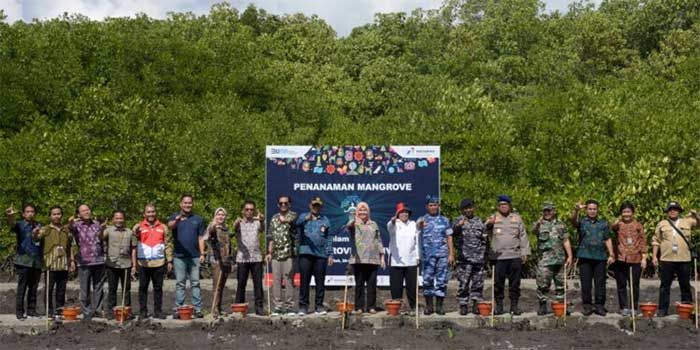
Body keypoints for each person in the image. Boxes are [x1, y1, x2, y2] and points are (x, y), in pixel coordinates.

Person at [652, 201, 698, 317]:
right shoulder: (662, 224)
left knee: (685, 285)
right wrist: (654, 256)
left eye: (675, 209)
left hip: (684, 259)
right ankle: (663, 310)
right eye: (670, 209)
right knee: (665, 286)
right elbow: (656, 241)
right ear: (667, 212)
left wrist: (696, 215)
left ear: (679, 211)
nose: (673, 211)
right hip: (667, 259)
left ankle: (687, 309)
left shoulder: (687, 221)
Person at [486, 195, 530, 315]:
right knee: (498, 283)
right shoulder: (493, 218)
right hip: (499, 256)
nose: (503, 207)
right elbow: (485, 231)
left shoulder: (517, 218)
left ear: (509, 206)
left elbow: (523, 236)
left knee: (515, 283)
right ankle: (499, 306)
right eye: (501, 205)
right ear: (498, 206)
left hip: (514, 255)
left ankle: (514, 306)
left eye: (505, 204)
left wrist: (525, 252)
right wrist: (489, 224)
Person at [571, 199, 614, 316]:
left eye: (594, 209)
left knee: (600, 283)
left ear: (597, 210)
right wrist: (576, 210)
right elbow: (573, 221)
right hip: (585, 256)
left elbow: (607, 238)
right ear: (586, 210)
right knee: (586, 283)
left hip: (600, 257)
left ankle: (599, 306)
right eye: (590, 209)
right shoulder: (582, 222)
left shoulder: (603, 223)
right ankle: (587, 305)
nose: (592, 211)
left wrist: (611, 254)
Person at [168, 194, 206, 319]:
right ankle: (179, 309)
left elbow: (201, 237)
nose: (187, 205)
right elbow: (170, 225)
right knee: (180, 283)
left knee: (195, 283)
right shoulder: (175, 217)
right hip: (179, 256)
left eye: (189, 203)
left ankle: (197, 309)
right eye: (185, 203)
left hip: (194, 256)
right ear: (181, 204)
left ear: (192, 204)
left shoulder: (198, 219)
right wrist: (177, 220)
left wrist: (202, 253)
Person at [295, 196, 334, 315]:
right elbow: (296, 225)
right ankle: (303, 306)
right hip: (305, 253)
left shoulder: (325, 220)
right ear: (310, 206)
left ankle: (319, 305)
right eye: (314, 205)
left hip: (321, 255)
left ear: (320, 207)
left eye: (318, 205)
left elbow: (329, 238)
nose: (315, 207)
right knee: (305, 281)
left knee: (320, 282)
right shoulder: (303, 216)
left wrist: (330, 254)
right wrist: (306, 219)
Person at [133, 203, 173, 319]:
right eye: (148, 212)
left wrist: (169, 260)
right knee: (142, 288)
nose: (151, 214)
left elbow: (168, 244)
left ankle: (158, 311)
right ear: (144, 214)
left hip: (159, 262)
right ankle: (143, 311)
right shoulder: (138, 227)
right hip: (143, 263)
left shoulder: (163, 227)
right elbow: (133, 242)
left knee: (158, 288)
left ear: (156, 213)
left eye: (153, 212)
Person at [533, 202, 572, 315]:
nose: (547, 213)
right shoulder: (539, 224)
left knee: (561, 285)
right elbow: (533, 230)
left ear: (554, 211)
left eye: (549, 210)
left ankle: (561, 306)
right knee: (542, 285)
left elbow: (565, 240)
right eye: (545, 211)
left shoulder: (561, 225)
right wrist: (538, 222)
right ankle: (542, 306)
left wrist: (570, 255)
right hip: (545, 261)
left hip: (559, 259)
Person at [33, 206, 73, 319]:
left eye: (59, 214)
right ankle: (49, 311)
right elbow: (36, 239)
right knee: (49, 289)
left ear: (61, 215)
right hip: (50, 264)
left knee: (61, 289)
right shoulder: (46, 229)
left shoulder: (66, 230)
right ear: (50, 216)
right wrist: (35, 233)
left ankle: (59, 311)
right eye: (54, 214)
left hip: (63, 264)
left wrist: (72, 261)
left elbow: (70, 247)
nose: (56, 216)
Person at [69, 204, 106, 321]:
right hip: (84, 262)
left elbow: (101, 239)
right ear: (79, 214)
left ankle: (98, 310)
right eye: (83, 211)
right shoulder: (77, 225)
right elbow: (69, 230)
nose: (86, 212)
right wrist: (70, 222)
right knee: (84, 289)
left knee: (98, 287)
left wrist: (103, 229)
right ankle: (87, 312)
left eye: (88, 210)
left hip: (98, 260)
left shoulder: (97, 224)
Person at [417, 195, 454, 315]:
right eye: (431, 205)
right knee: (427, 281)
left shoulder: (445, 220)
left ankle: (439, 307)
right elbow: (416, 230)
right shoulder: (422, 220)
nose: (433, 207)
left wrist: (451, 254)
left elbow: (449, 237)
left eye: (435, 205)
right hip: (428, 256)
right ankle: (429, 307)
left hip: (442, 255)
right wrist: (420, 225)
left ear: (438, 206)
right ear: (427, 207)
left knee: (441, 281)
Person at [6, 203, 43, 320]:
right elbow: (12, 224)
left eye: (32, 211)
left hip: (36, 261)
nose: (30, 213)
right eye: (28, 211)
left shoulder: (38, 225)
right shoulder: (20, 225)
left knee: (33, 287)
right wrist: (10, 216)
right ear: (23, 214)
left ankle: (31, 310)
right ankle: (20, 312)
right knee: (22, 287)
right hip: (23, 261)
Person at [347, 202, 385, 314]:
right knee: (359, 284)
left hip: (373, 259)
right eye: (360, 210)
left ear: (368, 212)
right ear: (357, 212)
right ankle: (359, 307)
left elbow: (379, 240)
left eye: (365, 211)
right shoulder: (354, 224)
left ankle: (371, 307)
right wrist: (354, 219)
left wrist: (382, 256)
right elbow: (349, 226)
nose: (363, 212)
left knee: (372, 284)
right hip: (358, 259)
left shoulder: (374, 224)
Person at [452, 198, 488, 315]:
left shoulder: (479, 221)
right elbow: (452, 235)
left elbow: (484, 240)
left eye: (470, 207)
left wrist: (484, 256)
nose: (469, 210)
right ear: (462, 210)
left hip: (478, 259)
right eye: (466, 208)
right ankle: (463, 304)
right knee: (464, 283)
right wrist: (458, 226)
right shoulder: (458, 220)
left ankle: (476, 304)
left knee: (478, 283)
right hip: (464, 259)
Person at [611, 201, 646, 316]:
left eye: (628, 212)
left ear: (633, 213)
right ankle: (623, 307)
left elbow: (642, 242)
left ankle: (634, 308)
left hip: (636, 258)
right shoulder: (618, 225)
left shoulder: (638, 225)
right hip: (621, 258)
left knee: (634, 285)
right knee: (621, 284)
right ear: (621, 213)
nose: (626, 214)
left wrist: (644, 258)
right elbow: (612, 228)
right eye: (624, 212)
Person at [266, 195, 299, 316]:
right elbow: (270, 237)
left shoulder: (293, 215)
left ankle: (290, 306)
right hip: (275, 254)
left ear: (289, 204)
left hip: (289, 254)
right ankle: (278, 306)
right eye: (281, 203)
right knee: (276, 281)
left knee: (289, 280)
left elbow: (293, 220)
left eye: (285, 203)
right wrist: (269, 252)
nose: (283, 205)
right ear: (278, 205)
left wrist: (286, 220)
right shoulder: (274, 218)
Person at [101, 210, 137, 319]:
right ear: (113, 219)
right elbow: (100, 238)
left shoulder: (130, 232)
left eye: (121, 218)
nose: (119, 220)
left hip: (126, 264)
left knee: (126, 290)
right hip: (112, 264)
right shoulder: (108, 231)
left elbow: (133, 249)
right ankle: (110, 312)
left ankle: (126, 311)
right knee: (112, 289)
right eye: (116, 218)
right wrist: (101, 228)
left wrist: (134, 265)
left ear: (124, 219)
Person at [234, 200, 266, 316]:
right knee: (241, 284)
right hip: (242, 258)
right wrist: (236, 223)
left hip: (256, 258)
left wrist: (262, 220)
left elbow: (262, 228)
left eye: (251, 210)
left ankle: (259, 308)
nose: (249, 212)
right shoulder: (239, 222)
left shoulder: (257, 222)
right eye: (247, 209)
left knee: (258, 284)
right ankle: (239, 307)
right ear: (243, 211)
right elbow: (234, 228)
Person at [387, 202, 419, 315]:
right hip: (396, 261)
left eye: (406, 212)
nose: (404, 214)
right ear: (397, 214)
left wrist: (418, 256)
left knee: (412, 287)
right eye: (402, 212)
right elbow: (390, 227)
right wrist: (393, 220)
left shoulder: (413, 224)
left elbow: (417, 242)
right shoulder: (393, 224)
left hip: (411, 260)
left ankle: (413, 308)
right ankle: (396, 308)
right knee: (396, 287)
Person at [204, 207, 232, 318]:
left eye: (223, 215)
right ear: (215, 216)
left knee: (221, 285)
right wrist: (214, 227)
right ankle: (214, 310)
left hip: (226, 260)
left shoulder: (225, 228)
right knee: (217, 285)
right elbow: (209, 234)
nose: (221, 217)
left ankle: (219, 308)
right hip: (216, 260)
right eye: (218, 215)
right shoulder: (213, 227)